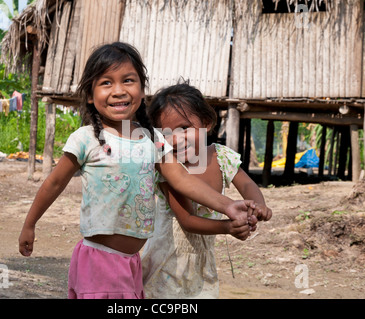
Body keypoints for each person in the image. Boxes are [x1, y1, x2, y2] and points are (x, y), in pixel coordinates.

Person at [18, 42, 256, 299]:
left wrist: (227, 205)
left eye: (128, 80)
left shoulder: (153, 140)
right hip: (100, 260)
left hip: (132, 262)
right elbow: (54, 183)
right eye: (106, 83)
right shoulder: (86, 139)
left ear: (142, 90)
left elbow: (183, 179)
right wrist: (30, 224)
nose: (118, 91)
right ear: (89, 95)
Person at [142, 83, 272, 299]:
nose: (176, 139)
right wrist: (228, 227)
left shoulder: (221, 157)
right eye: (166, 133)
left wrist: (257, 206)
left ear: (206, 123)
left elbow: (247, 185)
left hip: (202, 262)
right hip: (167, 262)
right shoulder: (168, 168)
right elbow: (188, 220)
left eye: (184, 128)